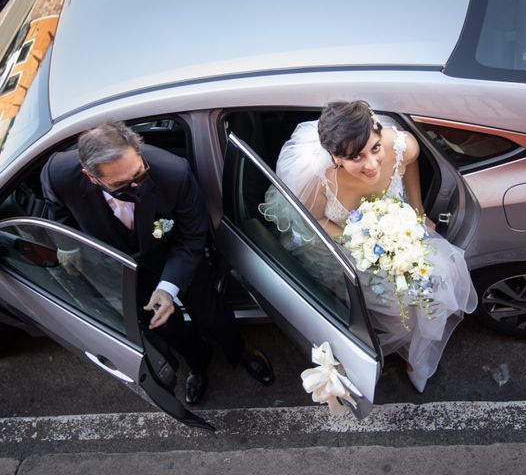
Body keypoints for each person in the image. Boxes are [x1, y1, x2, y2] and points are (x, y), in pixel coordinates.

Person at [41, 121, 274, 404]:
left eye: (139, 174)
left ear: (138, 152)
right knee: (167, 328)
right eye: (121, 184)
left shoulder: (174, 172)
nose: (137, 186)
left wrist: (168, 288)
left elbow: (192, 235)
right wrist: (67, 246)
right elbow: (57, 208)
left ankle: (239, 350)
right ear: (91, 177)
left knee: (212, 315)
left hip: (178, 260)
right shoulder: (58, 173)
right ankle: (198, 365)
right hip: (127, 271)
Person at [259, 100, 477, 392]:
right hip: (353, 246)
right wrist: (360, 243)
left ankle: (418, 355)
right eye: (355, 158)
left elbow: (409, 165)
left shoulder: (401, 145)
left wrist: (418, 210)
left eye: (375, 148)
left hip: (398, 230)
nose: (372, 164)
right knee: (395, 312)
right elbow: (319, 221)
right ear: (336, 158)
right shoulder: (317, 183)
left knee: (437, 280)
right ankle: (402, 345)